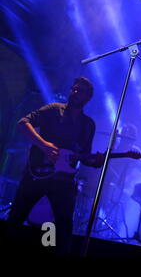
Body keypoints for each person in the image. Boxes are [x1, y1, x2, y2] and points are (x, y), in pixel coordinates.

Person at [6, 77, 104, 256]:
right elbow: (22, 124)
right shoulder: (53, 110)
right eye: (73, 88)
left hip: (64, 182)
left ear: (88, 97)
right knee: (15, 219)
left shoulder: (88, 125)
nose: (74, 92)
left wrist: (95, 161)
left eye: (79, 90)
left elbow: (84, 155)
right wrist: (44, 145)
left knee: (64, 228)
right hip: (37, 174)